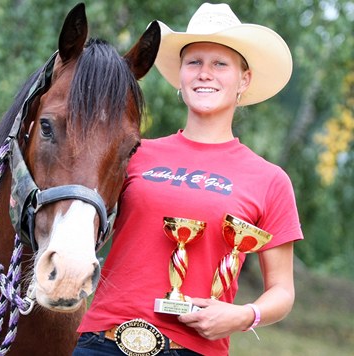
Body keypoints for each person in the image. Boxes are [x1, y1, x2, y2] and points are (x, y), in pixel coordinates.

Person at [72, 3, 303, 356]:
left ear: (244, 79)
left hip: (194, 350)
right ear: (180, 74)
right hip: (102, 341)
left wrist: (243, 315)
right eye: (194, 62)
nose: (204, 74)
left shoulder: (270, 180)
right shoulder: (133, 153)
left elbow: (283, 292)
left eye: (220, 64)